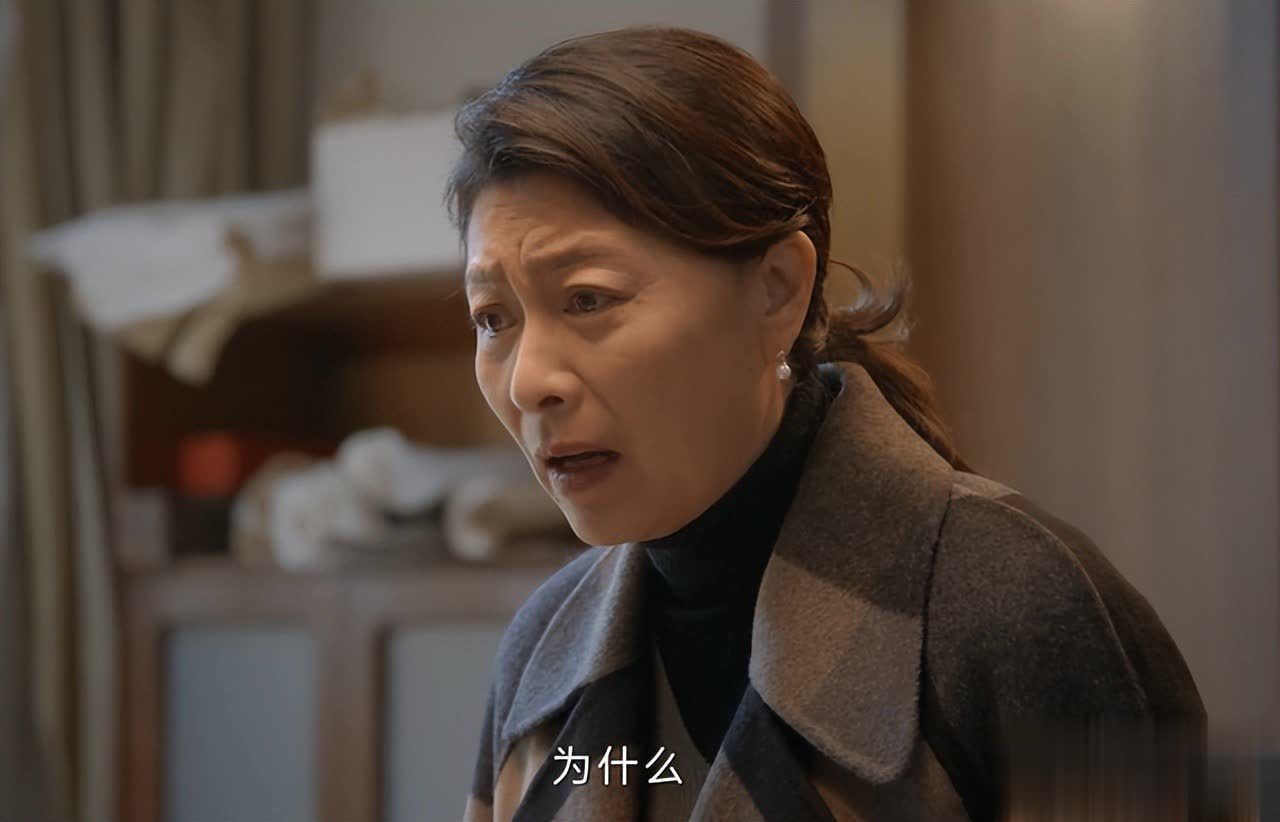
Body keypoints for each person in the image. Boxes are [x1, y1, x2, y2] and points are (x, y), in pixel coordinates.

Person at [450, 26, 1205, 822]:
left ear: (777, 290)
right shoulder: (544, 651)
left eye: (588, 299)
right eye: (493, 318)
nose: (528, 382)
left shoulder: (1024, 610)